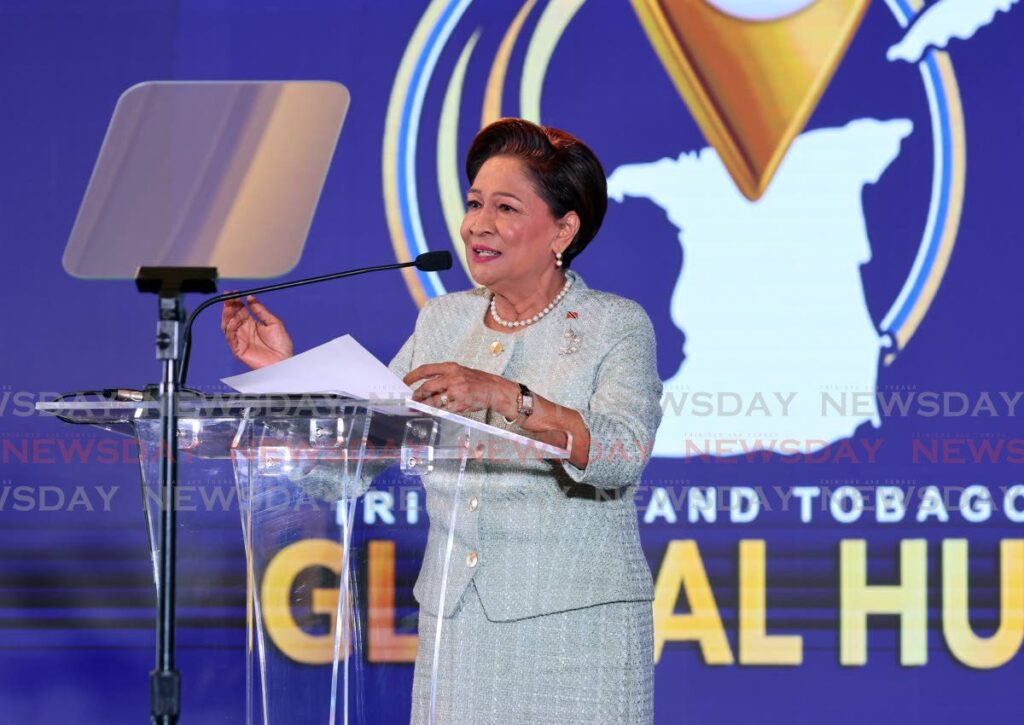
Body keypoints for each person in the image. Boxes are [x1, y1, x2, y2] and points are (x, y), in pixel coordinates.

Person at [222, 118, 663, 724]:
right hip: (456, 630)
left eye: (505, 207)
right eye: (474, 204)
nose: (478, 224)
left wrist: (507, 395)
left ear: (563, 229)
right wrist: (287, 376)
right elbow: (351, 462)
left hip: (577, 635)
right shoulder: (443, 321)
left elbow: (622, 453)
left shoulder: (614, 324)